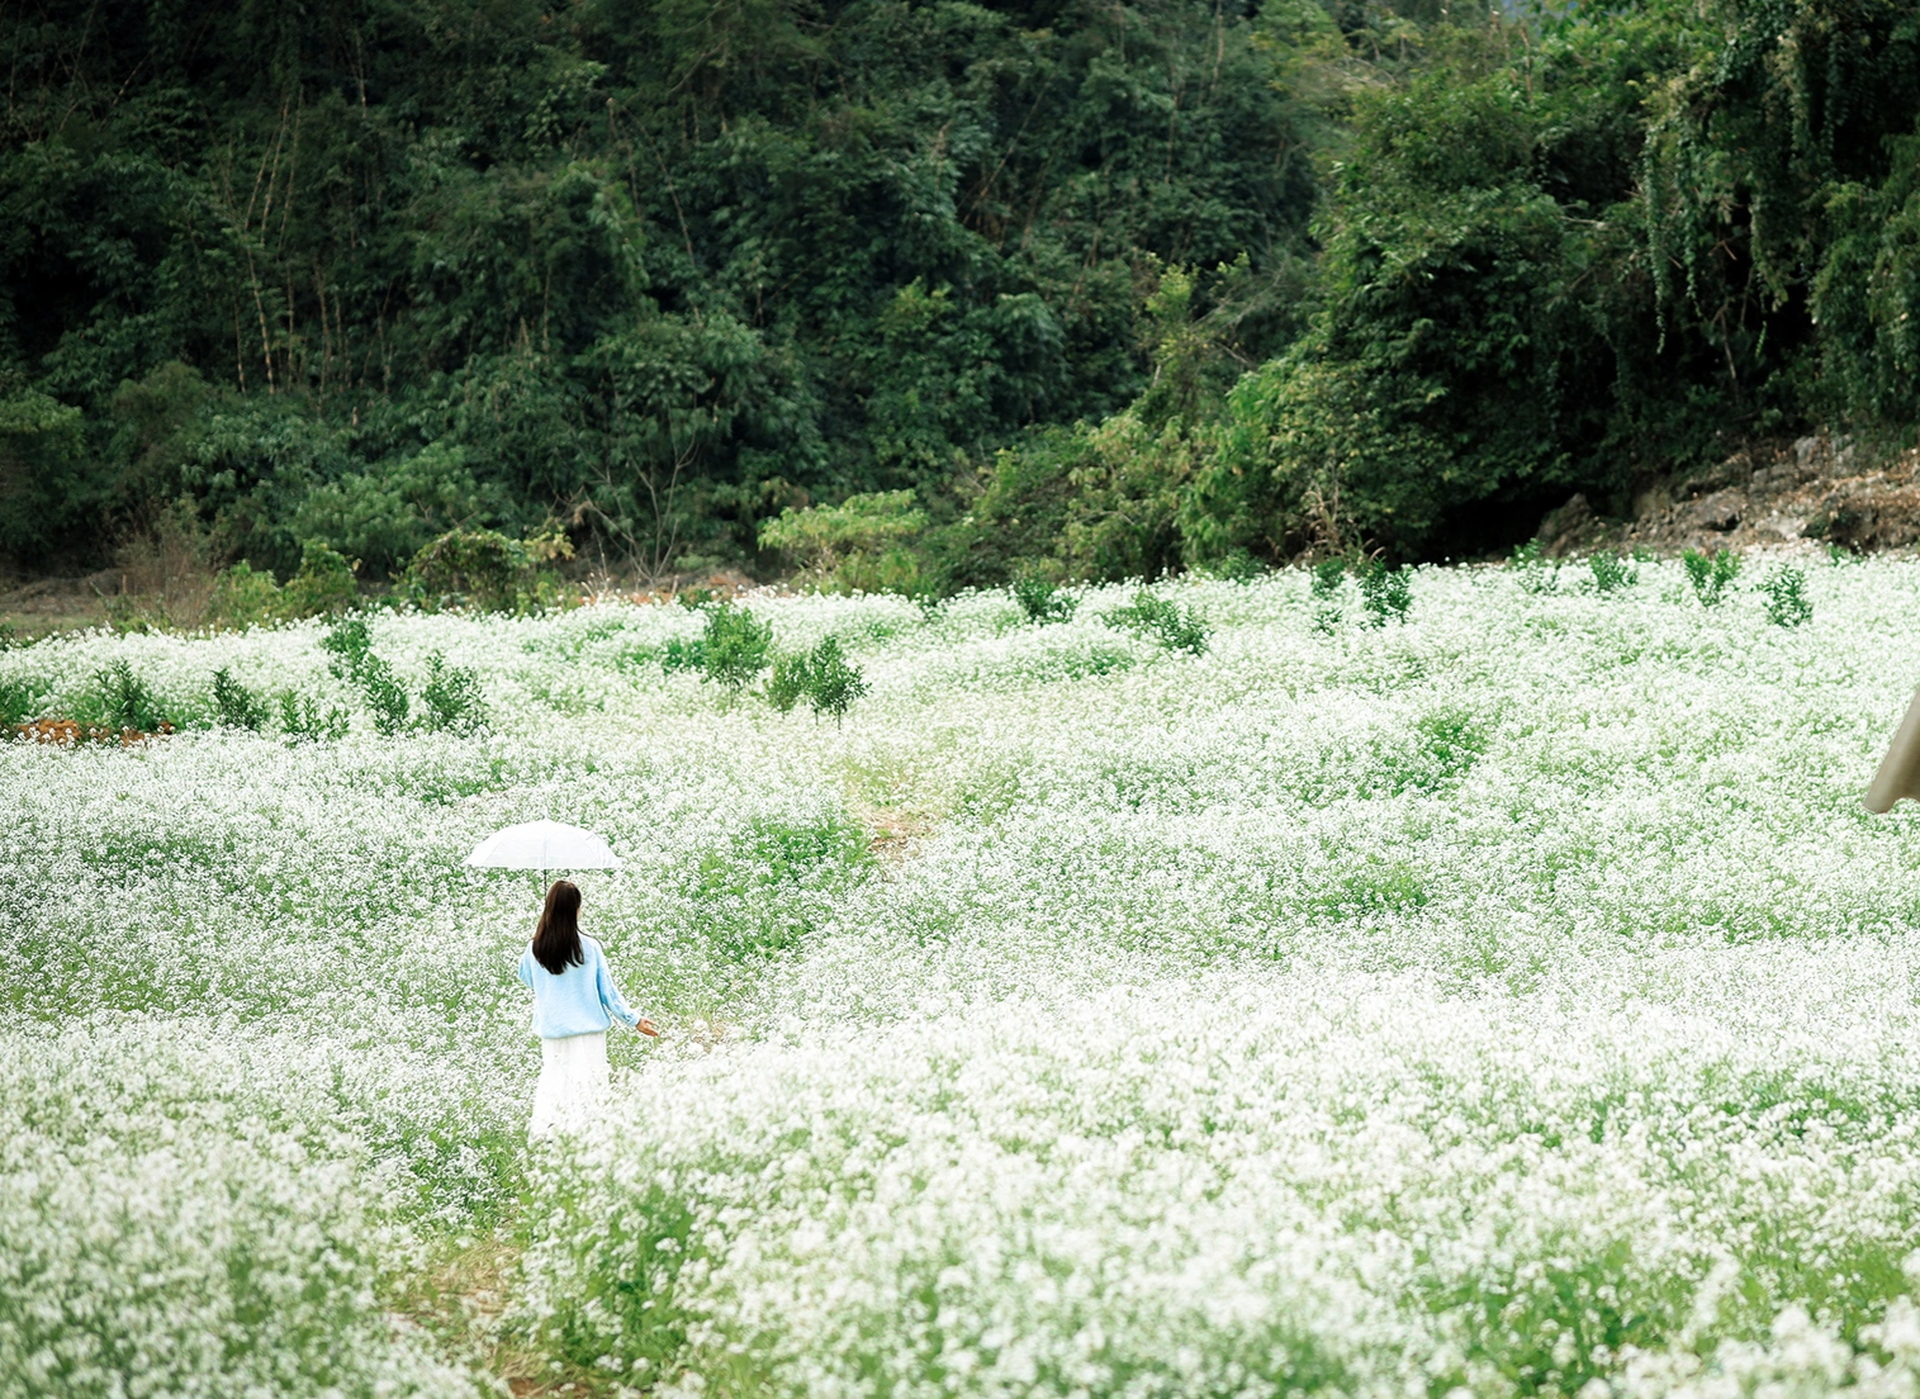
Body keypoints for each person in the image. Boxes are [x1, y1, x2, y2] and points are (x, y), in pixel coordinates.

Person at [517, 879, 657, 1136]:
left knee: (554, 1085)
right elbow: (608, 992)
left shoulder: (534, 948)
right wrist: (634, 1020)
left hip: (553, 1030)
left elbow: (527, 978)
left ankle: (549, 1138)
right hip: (588, 1031)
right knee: (589, 1086)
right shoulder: (589, 947)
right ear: (576, 910)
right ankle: (588, 1140)